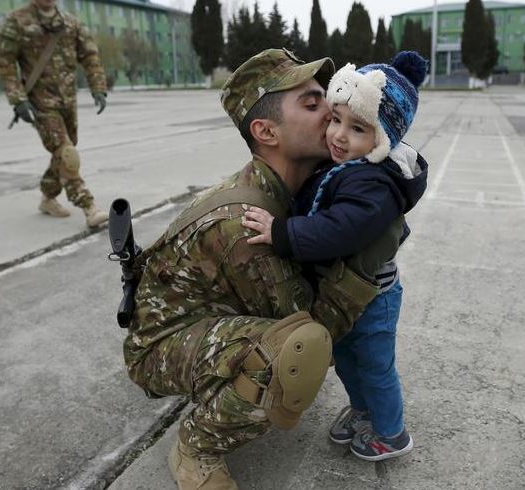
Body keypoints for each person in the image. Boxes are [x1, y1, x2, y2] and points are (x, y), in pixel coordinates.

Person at [123, 48, 404, 490]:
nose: (331, 111)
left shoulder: (295, 190)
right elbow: (317, 330)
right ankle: (197, 447)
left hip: (206, 316)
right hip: (161, 345)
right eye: (313, 105)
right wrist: (364, 269)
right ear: (266, 131)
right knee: (292, 353)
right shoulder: (249, 226)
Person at [242, 51, 429, 462]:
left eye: (358, 128)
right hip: (344, 293)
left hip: (373, 298)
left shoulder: (374, 184)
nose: (339, 136)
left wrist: (281, 233)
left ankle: (391, 432)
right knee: (345, 358)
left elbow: (338, 229)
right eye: (335, 119)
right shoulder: (348, 164)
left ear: (383, 140)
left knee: (376, 365)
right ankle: (364, 410)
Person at [0, 0, 109, 228]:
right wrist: (17, 98)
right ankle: (89, 207)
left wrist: (98, 87)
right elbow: (5, 63)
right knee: (67, 153)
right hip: (40, 103)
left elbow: (90, 56)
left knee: (63, 153)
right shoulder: (17, 21)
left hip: (68, 101)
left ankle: (47, 197)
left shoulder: (70, 23)